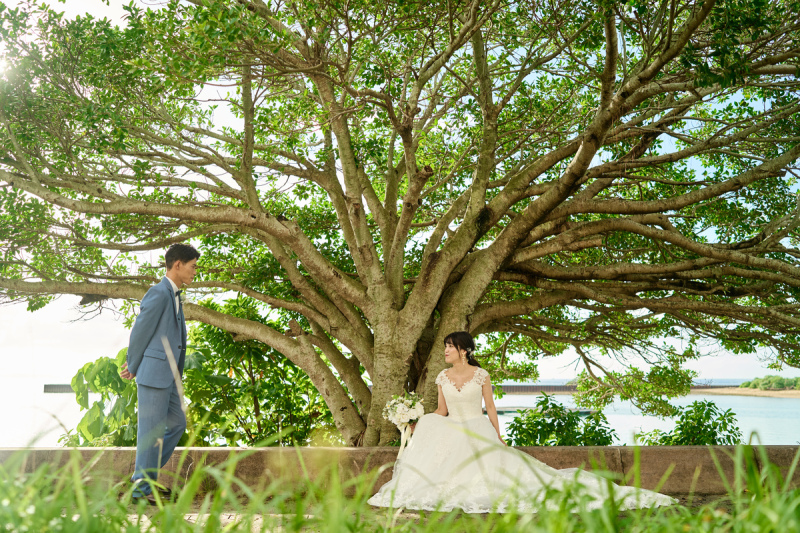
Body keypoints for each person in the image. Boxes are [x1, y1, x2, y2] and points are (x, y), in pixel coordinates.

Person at [368, 331, 676, 513]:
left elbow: (490, 408)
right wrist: (416, 422)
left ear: (463, 350)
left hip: (477, 428)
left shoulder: (481, 375)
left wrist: (498, 437)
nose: (446, 351)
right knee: (433, 432)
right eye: (446, 346)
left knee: (508, 476)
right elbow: (441, 411)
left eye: (450, 346)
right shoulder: (442, 376)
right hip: (453, 428)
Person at [119, 243, 200, 505]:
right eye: (193, 266)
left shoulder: (174, 294)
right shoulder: (158, 293)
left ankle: (144, 478)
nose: (195, 272)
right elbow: (141, 331)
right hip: (154, 373)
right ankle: (142, 490)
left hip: (170, 375)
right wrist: (133, 365)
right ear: (178, 264)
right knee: (150, 433)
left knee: (177, 424)